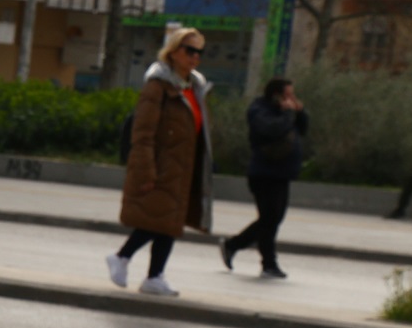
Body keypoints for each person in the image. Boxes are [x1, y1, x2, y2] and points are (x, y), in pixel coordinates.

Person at [107, 27, 212, 297]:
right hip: (163, 165)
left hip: (184, 167)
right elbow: (142, 132)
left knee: (169, 222)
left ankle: (153, 275)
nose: (195, 57)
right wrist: (146, 168)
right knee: (161, 220)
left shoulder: (195, 87)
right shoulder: (158, 86)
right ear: (174, 51)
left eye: (200, 52)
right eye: (190, 50)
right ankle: (123, 257)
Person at [221, 77, 308, 279]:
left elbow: (302, 130)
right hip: (264, 174)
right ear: (276, 95)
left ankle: (233, 245)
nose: (291, 99)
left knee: (273, 218)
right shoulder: (259, 110)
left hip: (282, 175)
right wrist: (288, 113)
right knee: (269, 219)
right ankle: (268, 263)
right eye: (287, 95)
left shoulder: (286, 112)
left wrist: (300, 112)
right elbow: (273, 129)